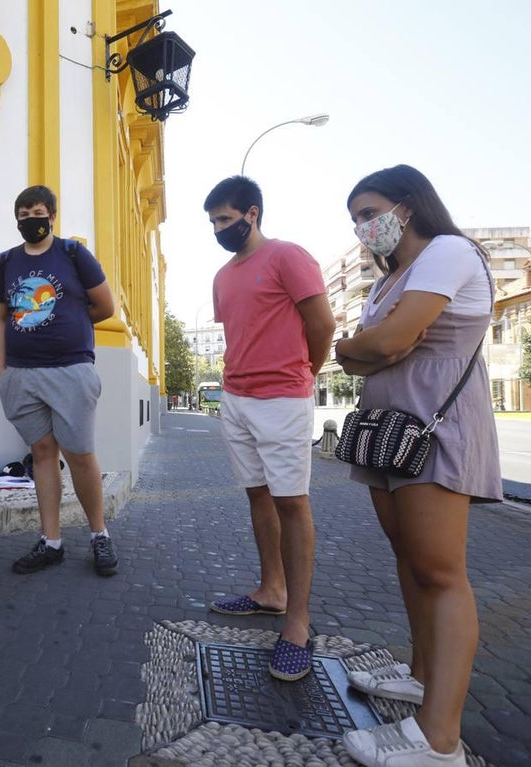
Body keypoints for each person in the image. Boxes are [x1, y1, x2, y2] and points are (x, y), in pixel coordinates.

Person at [335, 165, 500, 767]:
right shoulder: (389, 279)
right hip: (387, 431)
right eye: (354, 219)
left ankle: (439, 739)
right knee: (409, 559)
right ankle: (423, 675)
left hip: (433, 426)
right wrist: (367, 348)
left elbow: (382, 344)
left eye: (369, 212)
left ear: (408, 205)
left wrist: (367, 346)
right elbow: (361, 355)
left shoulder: (449, 252)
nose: (363, 227)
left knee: (440, 571)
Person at [202, 176, 335, 682]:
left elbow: (321, 324)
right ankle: (270, 592)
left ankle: (297, 624)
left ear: (252, 214)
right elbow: (241, 331)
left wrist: (306, 373)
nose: (218, 229)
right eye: (213, 222)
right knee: (258, 496)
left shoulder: (287, 256)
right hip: (235, 398)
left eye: (225, 220)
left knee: (291, 501)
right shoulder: (222, 277)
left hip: (283, 398)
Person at [0, 185, 119, 576]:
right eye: (24, 213)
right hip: (21, 374)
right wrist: (3, 372)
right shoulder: (6, 260)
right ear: (17, 219)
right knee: (43, 453)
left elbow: (105, 306)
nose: (32, 219)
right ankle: (51, 541)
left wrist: (73, 325)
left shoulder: (73, 254)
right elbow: (1, 318)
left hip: (70, 369)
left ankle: (99, 535)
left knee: (80, 454)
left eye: (38, 211)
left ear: (52, 215)